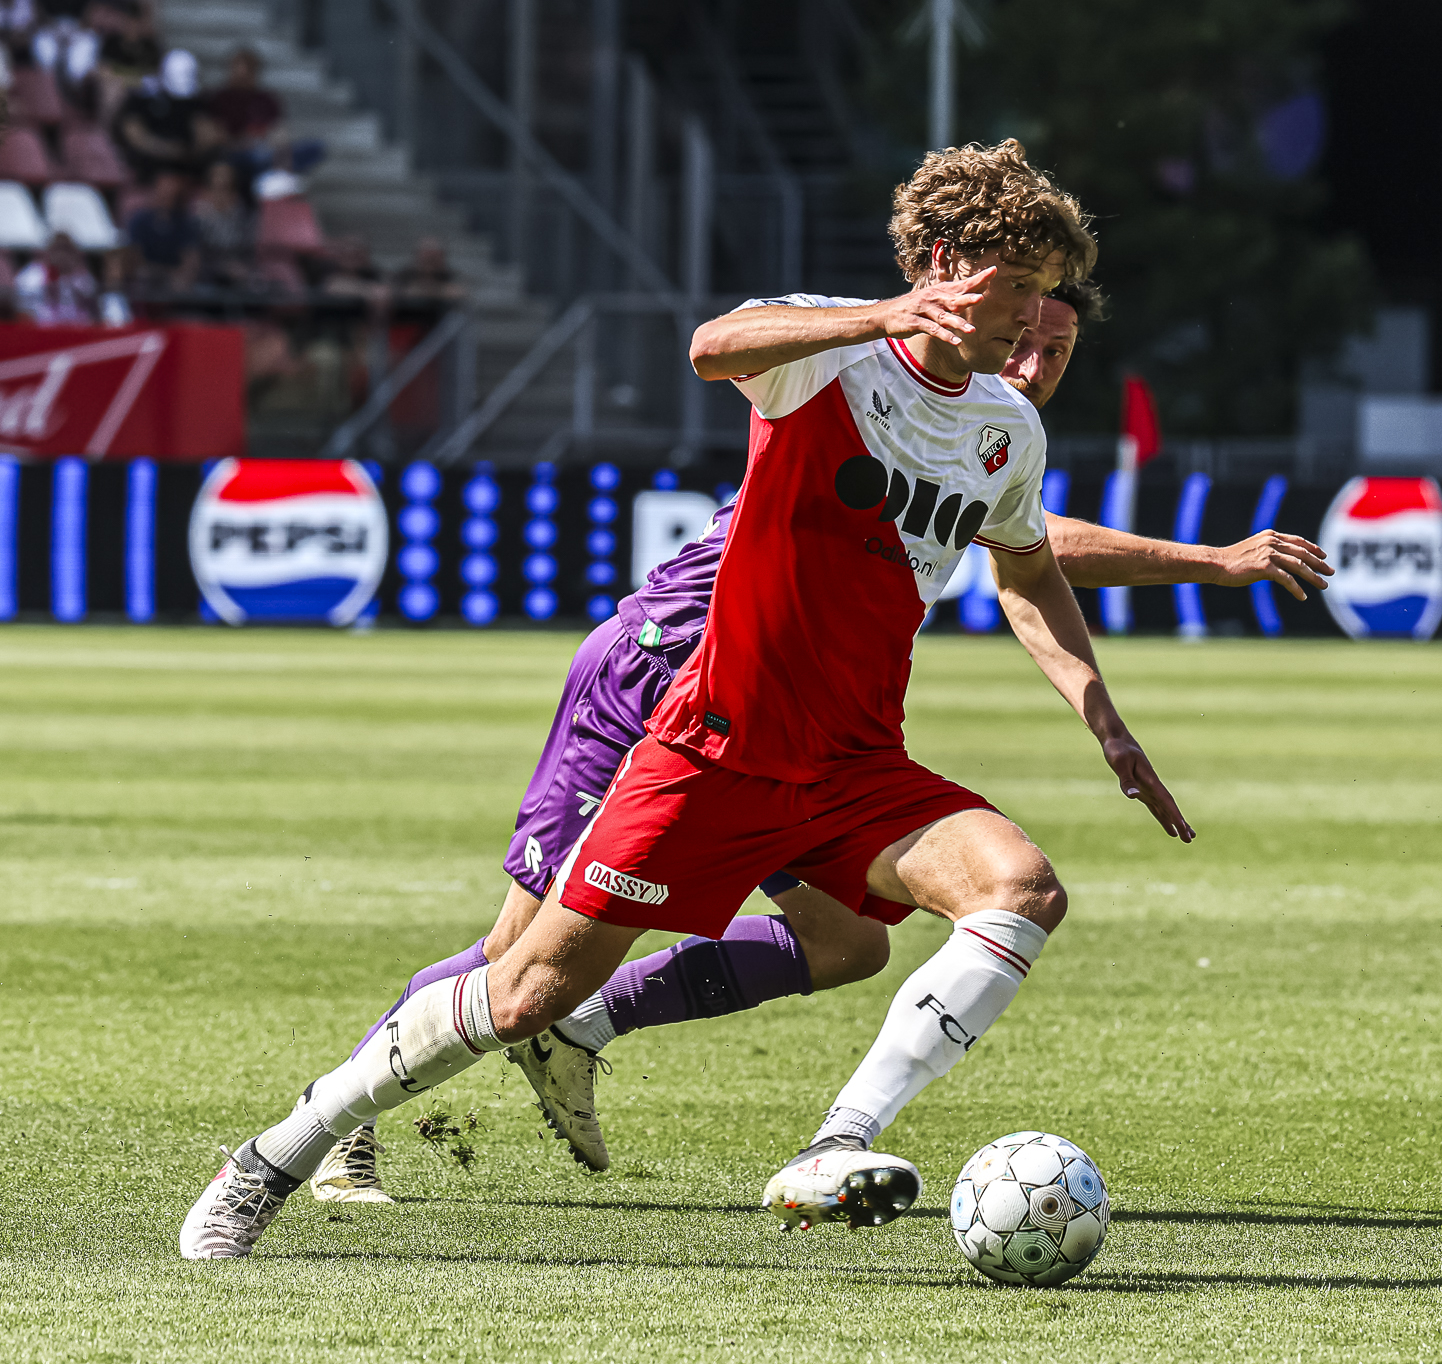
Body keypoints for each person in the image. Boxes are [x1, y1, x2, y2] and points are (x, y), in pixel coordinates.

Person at [183, 141, 1174, 1259]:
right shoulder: (830, 356)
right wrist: (884, 316)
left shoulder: (1008, 433)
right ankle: (278, 1153)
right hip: (708, 745)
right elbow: (711, 345)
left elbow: (1029, 561)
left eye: (1048, 294)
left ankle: (834, 1141)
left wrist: (1106, 718)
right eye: (1015, 288)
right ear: (945, 264)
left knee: (1019, 890)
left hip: (853, 765)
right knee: (519, 993)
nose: (1032, 321)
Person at [293, 276, 1330, 1206]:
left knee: (847, 943)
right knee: (521, 953)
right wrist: (1211, 559)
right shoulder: (868, 369)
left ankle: (588, 1025)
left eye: (1050, 347)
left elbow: (1021, 552)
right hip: (664, 669)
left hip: (797, 726)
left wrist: (1107, 708)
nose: (1029, 362)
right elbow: (1031, 541)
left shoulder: (986, 426)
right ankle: (340, 1129)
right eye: (1021, 337)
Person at [114, 47, 201, 183]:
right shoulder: (141, 98)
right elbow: (134, 134)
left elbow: (204, 131)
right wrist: (168, 150)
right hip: (148, 168)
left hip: (185, 168)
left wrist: (192, 150)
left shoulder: (191, 100)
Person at [122, 169, 198, 292]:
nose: (167, 196)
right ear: (155, 191)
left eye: (172, 193)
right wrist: (153, 271)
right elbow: (134, 256)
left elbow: (191, 258)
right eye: (164, 191)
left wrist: (182, 277)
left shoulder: (184, 222)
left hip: (174, 280)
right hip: (146, 278)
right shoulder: (139, 220)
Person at [14, 230, 96, 324]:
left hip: (76, 331)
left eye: (66, 250)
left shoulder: (83, 277)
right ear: (48, 251)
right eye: (58, 249)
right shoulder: (32, 275)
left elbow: (91, 310)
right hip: (40, 331)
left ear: (75, 253)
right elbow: (22, 308)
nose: (62, 255)